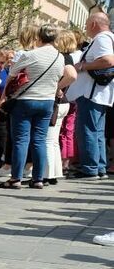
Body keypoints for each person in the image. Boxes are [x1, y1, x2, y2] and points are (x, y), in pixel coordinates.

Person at [0, 24, 64, 189]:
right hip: (47, 101)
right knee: (39, 140)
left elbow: (12, 75)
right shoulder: (60, 57)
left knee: (21, 140)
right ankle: (38, 179)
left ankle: (16, 178)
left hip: (25, 100)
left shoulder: (31, 55)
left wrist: (3, 96)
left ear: (39, 37)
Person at [69, 11, 113, 179]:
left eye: (87, 24)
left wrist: (83, 66)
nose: (86, 28)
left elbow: (108, 60)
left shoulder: (102, 38)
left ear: (94, 24)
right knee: (97, 131)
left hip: (91, 93)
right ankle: (99, 167)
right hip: (100, 93)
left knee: (87, 129)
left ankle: (90, 168)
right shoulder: (109, 38)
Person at [46, 30, 80, 185]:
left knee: (48, 139)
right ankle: (53, 172)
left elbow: (72, 75)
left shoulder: (64, 58)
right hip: (63, 102)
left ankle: (47, 173)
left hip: (57, 103)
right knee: (52, 140)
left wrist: (56, 87)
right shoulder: (68, 58)